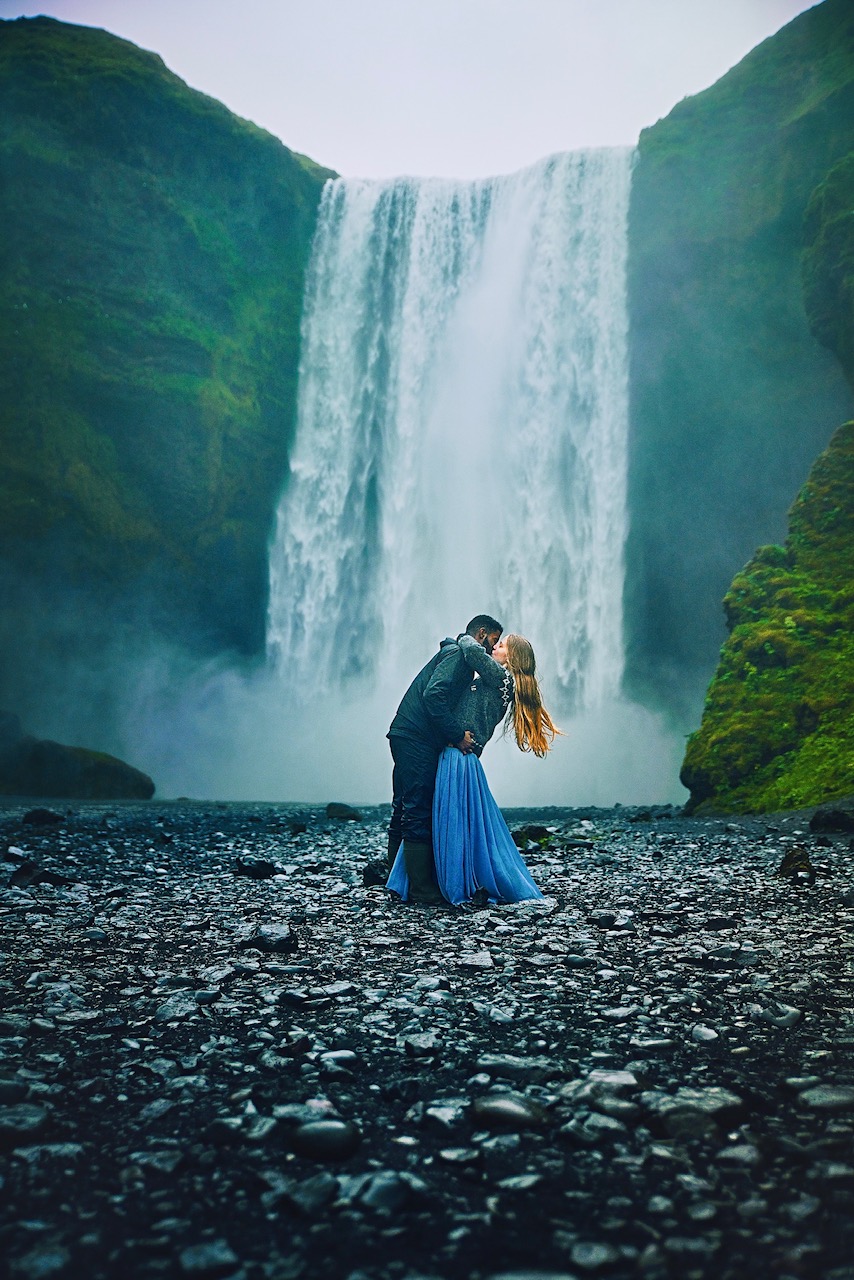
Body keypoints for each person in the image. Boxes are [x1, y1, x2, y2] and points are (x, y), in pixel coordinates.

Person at [388, 633, 559, 905]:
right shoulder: (502, 682)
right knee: (451, 821)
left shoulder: (502, 679)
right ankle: (439, 880)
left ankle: (449, 883)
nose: (493, 647)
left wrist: (460, 638)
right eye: (495, 643)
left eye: (500, 645)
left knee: (451, 821)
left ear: (512, 659)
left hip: (458, 758)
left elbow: (472, 653)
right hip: (456, 756)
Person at [386, 615, 503, 905]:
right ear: (482, 633)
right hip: (416, 738)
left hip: (408, 734)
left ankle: (396, 882)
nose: (492, 650)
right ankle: (421, 891)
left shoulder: (454, 654)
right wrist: (457, 734)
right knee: (416, 807)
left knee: (404, 806)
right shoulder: (458, 657)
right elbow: (433, 696)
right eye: (494, 642)